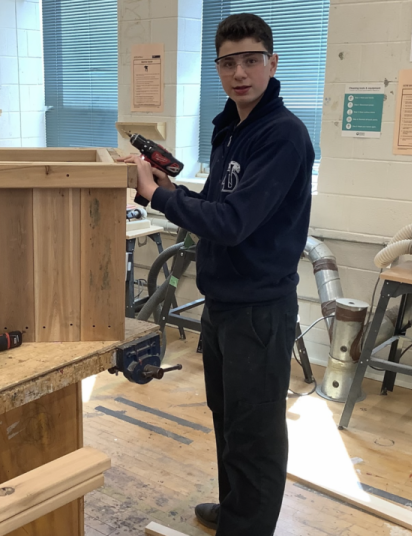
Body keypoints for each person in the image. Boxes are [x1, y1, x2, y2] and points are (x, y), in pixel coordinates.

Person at [120, 13, 314, 535]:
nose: (240, 72)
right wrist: (171, 190)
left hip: (260, 310)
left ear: (273, 63)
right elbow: (219, 202)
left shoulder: (282, 136)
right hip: (225, 304)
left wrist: (157, 196)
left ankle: (248, 528)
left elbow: (231, 224)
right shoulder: (232, 127)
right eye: (228, 62)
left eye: (252, 59)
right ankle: (238, 512)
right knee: (229, 422)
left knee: (255, 432)